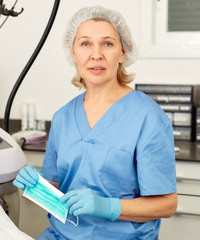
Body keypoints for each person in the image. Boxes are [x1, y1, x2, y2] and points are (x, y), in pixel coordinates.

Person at [13, 5, 177, 240]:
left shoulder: (148, 118)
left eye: (108, 44)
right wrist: (35, 186)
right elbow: (56, 189)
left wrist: (108, 207)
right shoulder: (63, 117)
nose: (96, 54)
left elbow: (167, 205)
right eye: (85, 43)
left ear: (122, 53)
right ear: (73, 53)